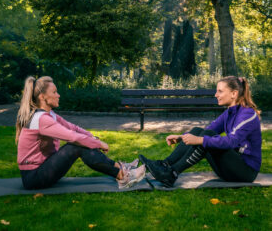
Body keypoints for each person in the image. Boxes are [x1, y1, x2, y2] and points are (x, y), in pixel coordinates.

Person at [16, 76, 145, 190]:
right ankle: (123, 176)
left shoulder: (49, 115)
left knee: (81, 143)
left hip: (44, 169)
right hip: (34, 177)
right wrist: (98, 143)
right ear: (42, 97)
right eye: (54, 92)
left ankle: (121, 169)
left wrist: (91, 137)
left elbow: (73, 128)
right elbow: (72, 137)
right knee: (76, 145)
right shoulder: (41, 119)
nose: (58, 95)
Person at [139, 76, 262, 187]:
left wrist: (200, 140)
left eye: (220, 91)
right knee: (199, 131)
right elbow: (206, 131)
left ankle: (172, 173)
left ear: (234, 94)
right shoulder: (228, 113)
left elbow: (231, 141)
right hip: (229, 168)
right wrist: (181, 137)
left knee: (206, 138)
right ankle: (165, 165)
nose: (215, 95)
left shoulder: (248, 114)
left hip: (245, 172)